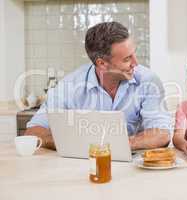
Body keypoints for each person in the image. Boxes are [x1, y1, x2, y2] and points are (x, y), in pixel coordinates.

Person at [25, 22, 171, 150]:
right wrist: (77, 144)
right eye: (127, 59)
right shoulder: (70, 85)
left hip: (134, 167)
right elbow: (33, 132)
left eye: (133, 54)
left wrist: (111, 145)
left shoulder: (148, 81)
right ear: (102, 64)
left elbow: (162, 134)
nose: (136, 63)